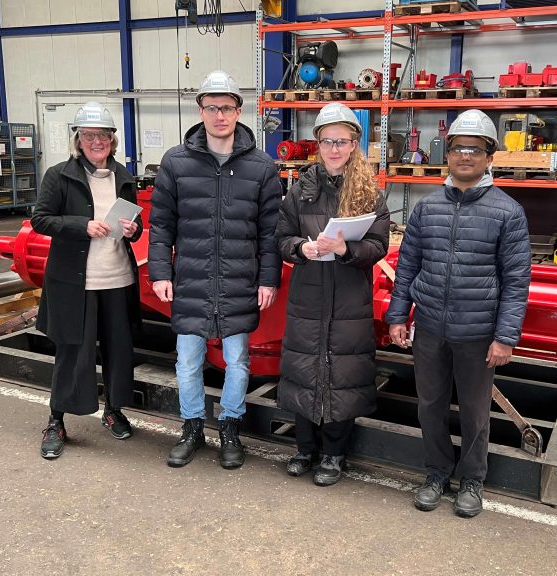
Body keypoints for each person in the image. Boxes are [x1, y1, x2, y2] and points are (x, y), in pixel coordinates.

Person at [386, 109, 531, 517]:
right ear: (446, 154)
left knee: (474, 410)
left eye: (475, 149)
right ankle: (436, 474)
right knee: (429, 405)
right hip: (430, 328)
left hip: (478, 332)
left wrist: (505, 337)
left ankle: (471, 480)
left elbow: (517, 281)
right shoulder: (426, 209)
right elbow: (408, 267)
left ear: (489, 157)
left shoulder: (508, 213)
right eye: (458, 148)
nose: (465, 155)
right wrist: (399, 316)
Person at [148, 70, 282, 470]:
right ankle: (191, 428)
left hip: (239, 280)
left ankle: (229, 428)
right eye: (212, 107)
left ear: (239, 111)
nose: (219, 115)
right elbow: (161, 223)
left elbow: (270, 231)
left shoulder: (261, 167)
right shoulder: (175, 162)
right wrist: (160, 273)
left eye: (227, 107)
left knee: (238, 361)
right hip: (191, 278)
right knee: (187, 360)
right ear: (200, 110)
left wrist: (267, 278)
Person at [275, 102, 390, 487]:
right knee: (305, 370)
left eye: (342, 141)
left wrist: (346, 251)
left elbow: (378, 246)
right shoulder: (300, 191)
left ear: (355, 143)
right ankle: (304, 450)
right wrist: (300, 249)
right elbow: (280, 237)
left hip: (347, 300)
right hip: (308, 296)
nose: (334, 148)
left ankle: (335, 455)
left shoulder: (369, 195)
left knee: (343, 373)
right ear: (317, 144)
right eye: (327, 141)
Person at [32, 101, 143, 459]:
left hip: (117, 279)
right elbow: (41, 219)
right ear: (78, 140)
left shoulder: (124, 176)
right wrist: (81, 227)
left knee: (118, 349)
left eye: (103, 136)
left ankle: (113, 411)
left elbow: (135, 228)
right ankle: (56, 420)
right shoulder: (59, 175)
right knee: (72, 353)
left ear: (112, 140)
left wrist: (133, 229)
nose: (97, 142)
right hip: (76, 283)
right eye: (89, 135)